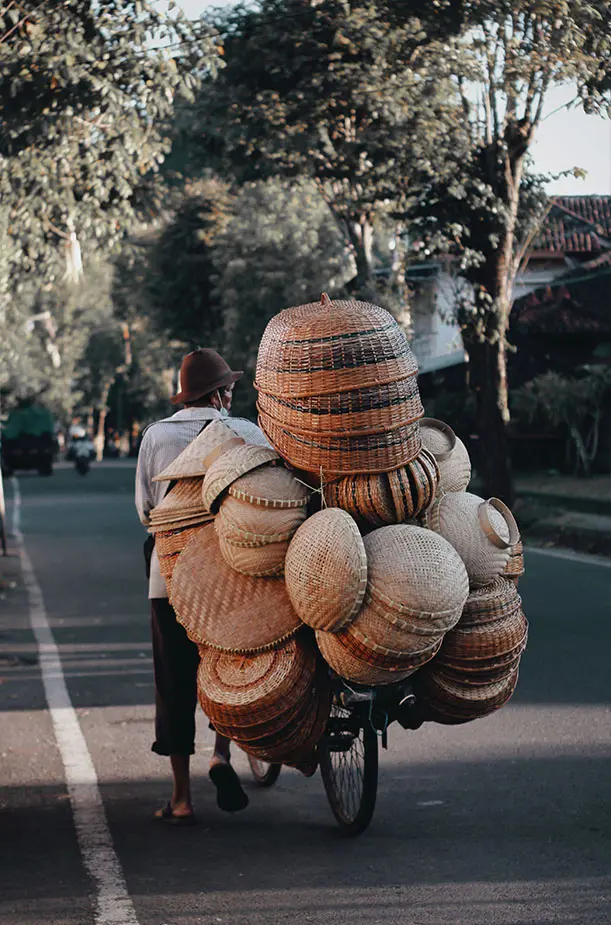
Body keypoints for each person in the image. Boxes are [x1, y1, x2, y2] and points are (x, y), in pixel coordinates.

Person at [135, 348, 269, 826]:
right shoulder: (248, 433)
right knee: (228, 671)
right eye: (229, 389)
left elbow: (147, 512)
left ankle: (181, 797)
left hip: (170, 582)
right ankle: (220, 755)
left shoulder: (156, 437)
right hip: (235, 580)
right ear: (219, 394)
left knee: (173, 684)